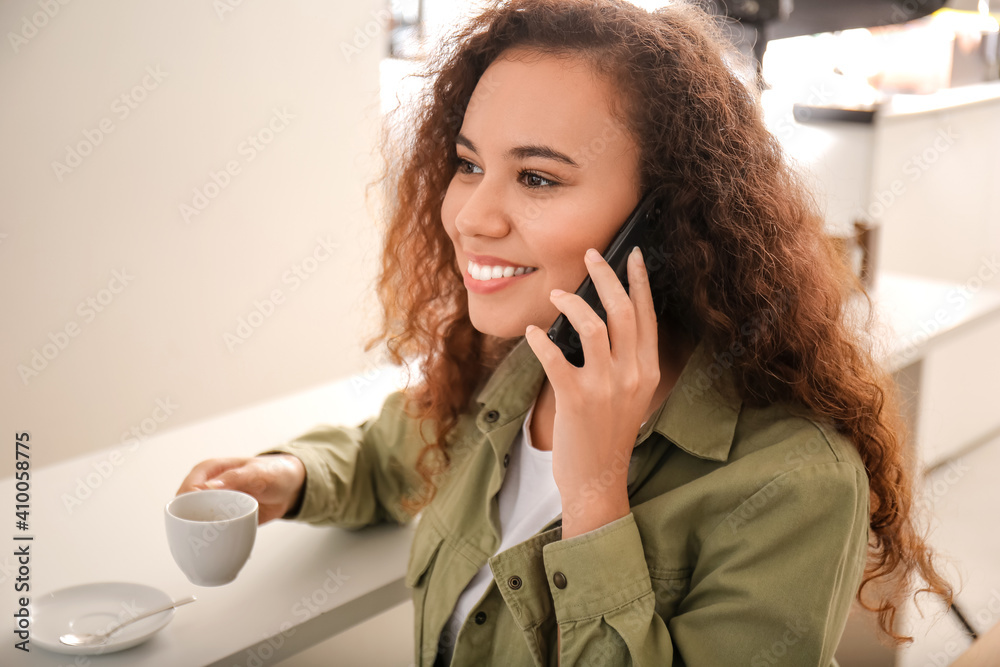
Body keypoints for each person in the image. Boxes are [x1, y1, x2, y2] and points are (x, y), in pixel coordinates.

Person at [177, 1, 955, 665]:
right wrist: (286, 476)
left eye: (539, 177)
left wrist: (594, 496)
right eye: (468, 163)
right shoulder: (519, 361)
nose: (472, 216)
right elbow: (392, 452)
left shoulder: (793, 483)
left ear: (665, 219)